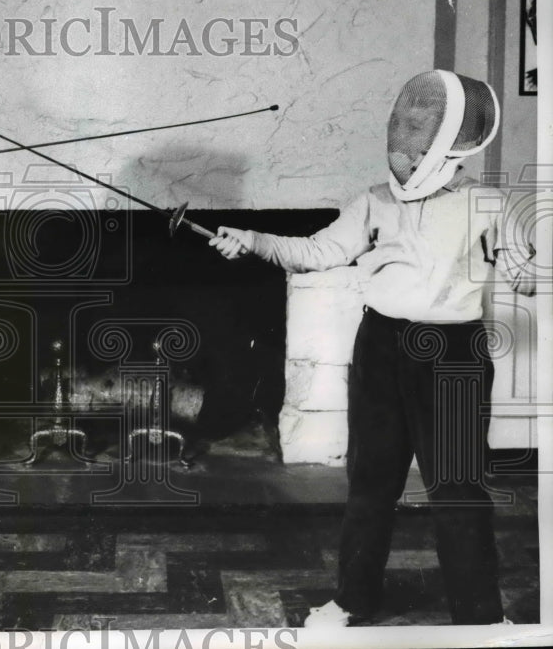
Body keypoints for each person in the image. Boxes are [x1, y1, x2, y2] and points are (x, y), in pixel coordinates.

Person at [209, 70, 537, 627]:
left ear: (452, 148)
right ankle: (353, 600)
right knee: (370, 483)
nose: (405, 153)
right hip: (381, 347)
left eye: (420, 140)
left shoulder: (488, 204)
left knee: (457, 490)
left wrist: (520, 267)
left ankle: (481, 618)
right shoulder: (374, 201)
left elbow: (528, 277)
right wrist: (255, 240)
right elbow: (317, 250)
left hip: (452, 355)